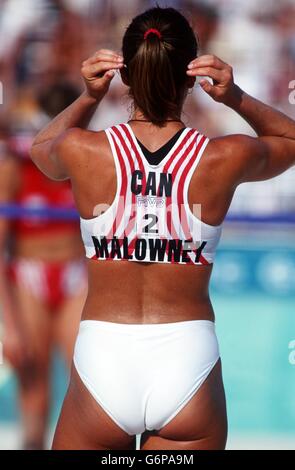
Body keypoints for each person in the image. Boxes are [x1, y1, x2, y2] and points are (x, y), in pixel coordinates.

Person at [31, 6, 295, 450]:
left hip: (105, 354)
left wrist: (90, 96)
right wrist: (234, 96)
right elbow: (290, 140)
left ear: (126, 77)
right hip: (185, 355)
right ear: (192, 79)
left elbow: (40, 150)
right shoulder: (220, 157)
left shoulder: (83, 150)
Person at [0, 83, 87, 450]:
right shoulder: (15, 165)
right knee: (34, 392)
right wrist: (9, 323)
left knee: (87, 384)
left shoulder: (86, 156)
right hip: (29, 273)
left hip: (75, 274)